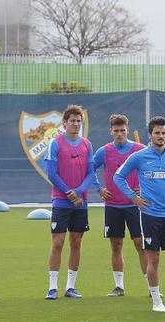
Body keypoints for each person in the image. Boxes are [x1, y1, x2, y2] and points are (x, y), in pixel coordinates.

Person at [114, 116, 165, 313]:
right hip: (149, 215)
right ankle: (156, 301)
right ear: (150, 135)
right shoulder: (139, 156)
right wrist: (133, 198)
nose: (161, 136)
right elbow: (119, 176)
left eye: (163, 133)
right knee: (153, 259)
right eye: (157, 133)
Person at [44, 104, 95, 300]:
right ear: (65, 123)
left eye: (78, 120)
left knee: (76, 242)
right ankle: (52, 287)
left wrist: (80, 192)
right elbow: (52, 173)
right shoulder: (55, 143)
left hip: (80, 202)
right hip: (61, 201)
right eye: (72, 120)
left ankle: (70, 287)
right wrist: (68, 192)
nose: (75, 124)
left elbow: (91, 173)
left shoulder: (86, 144)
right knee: (57, 242)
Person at [93, 114, 147, 297]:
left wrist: (144, 188)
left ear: (127, 130)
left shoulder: (140, 149)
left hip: (135, 205)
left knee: (141, 244)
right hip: (113, 205)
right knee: (116, 245)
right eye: (116, 130)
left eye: (122, 130)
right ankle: (119, 286)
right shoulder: (104, 151)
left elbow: (151, 169)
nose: (119, 133)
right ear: (111, 131)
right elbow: (89, 170)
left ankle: (151, 286)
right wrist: (98, 188)